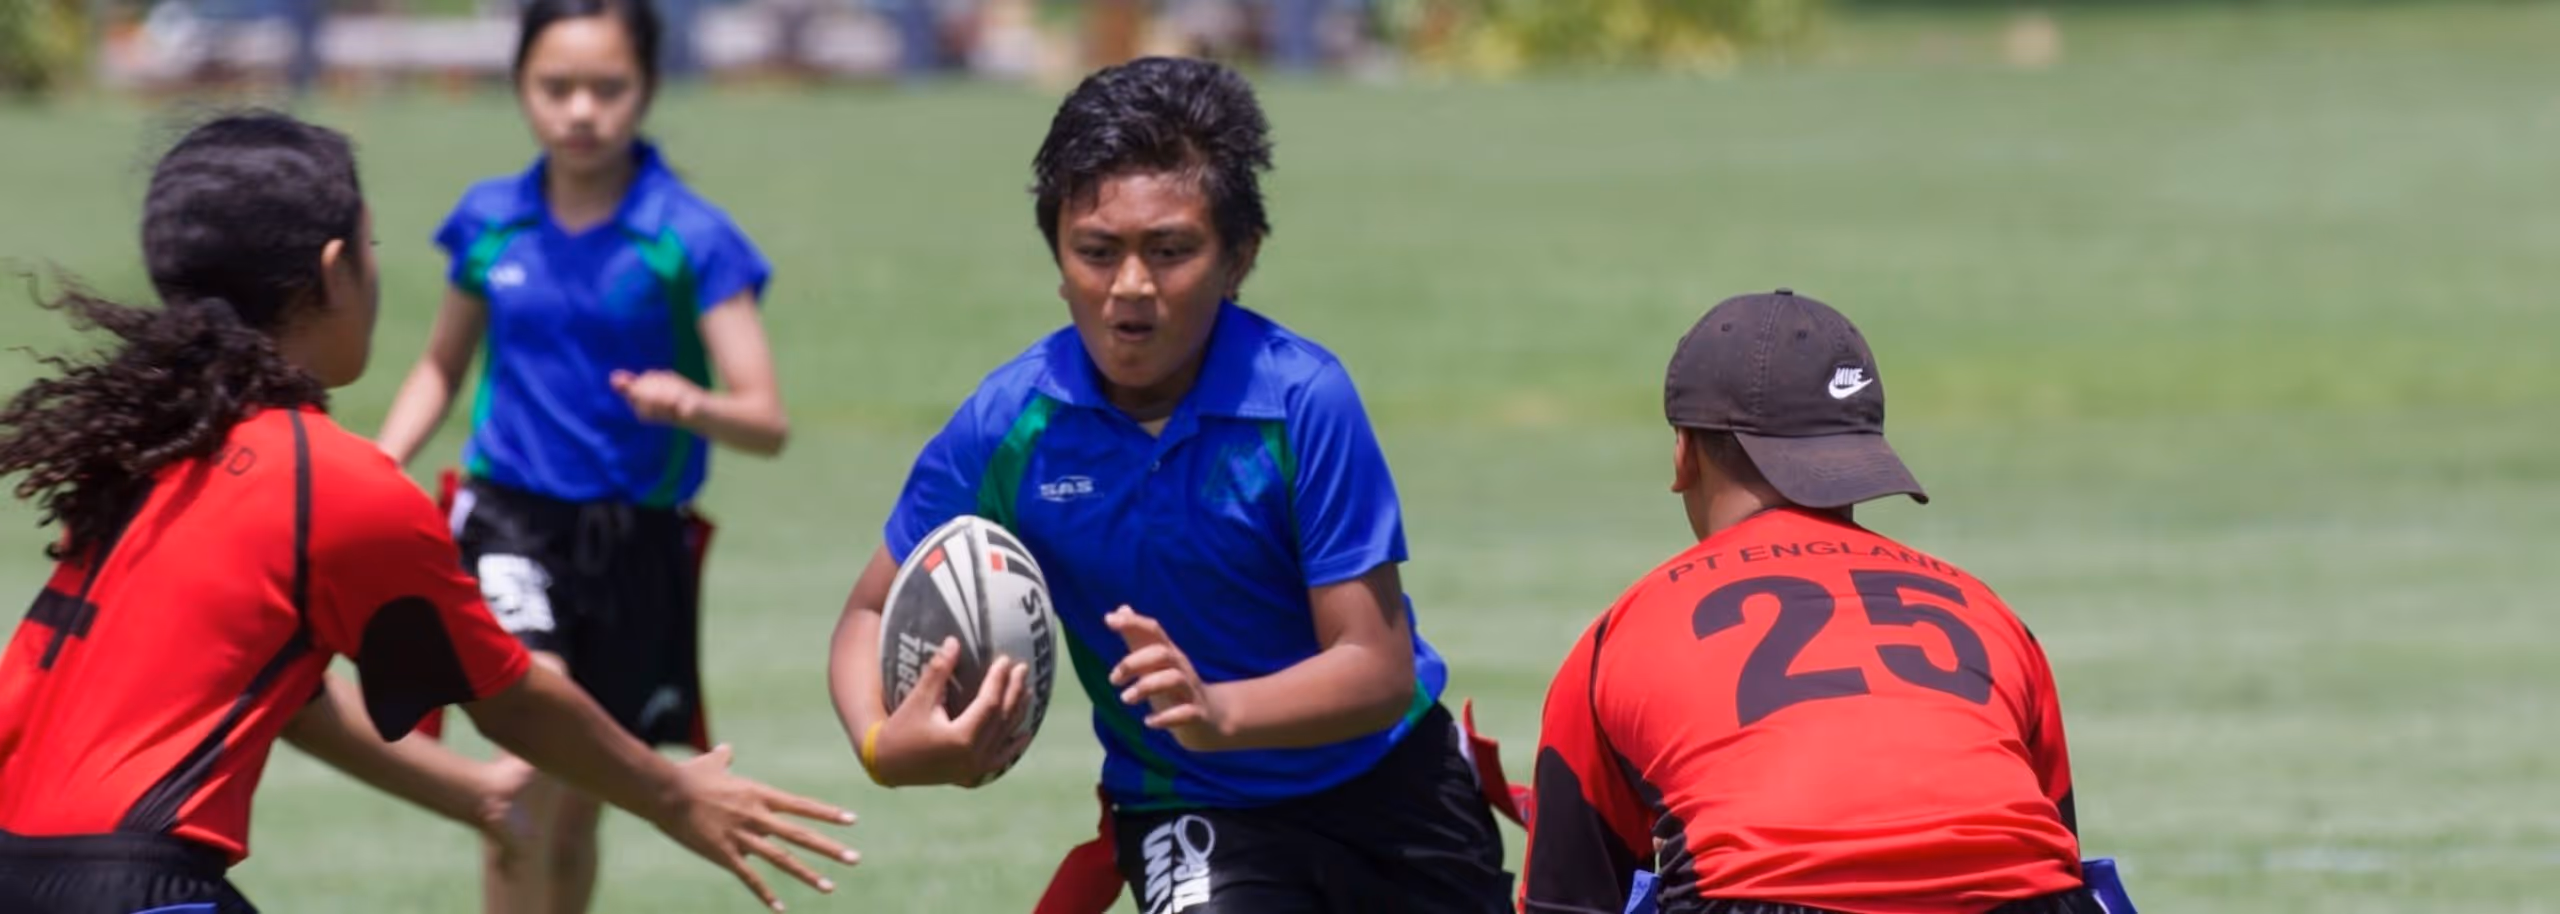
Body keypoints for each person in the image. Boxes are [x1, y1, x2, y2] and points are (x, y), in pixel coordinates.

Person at [0, 111, 855, 914]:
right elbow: (512, 701)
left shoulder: (148, 450)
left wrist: (476, 793)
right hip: (130, 887)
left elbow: (291, 699)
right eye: (369, 249)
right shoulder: (329, 480)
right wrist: (672, 793)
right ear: (334, 269)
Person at [825, 56, 1513, 914]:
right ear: (1058, 259)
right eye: (1096, 252)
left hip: (1392, 785)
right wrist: (883, 744)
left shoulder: (1301, 401)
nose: (1131, 287)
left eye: (1171, 251)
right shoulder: (1010, 425)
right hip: (1190, 804)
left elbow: (1374, 670)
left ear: (1238, 258)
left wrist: (1219, 711)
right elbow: (867, 613)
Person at [370, 0, 790, 910]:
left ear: (649, 87)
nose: (581, 111)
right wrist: (380, 462)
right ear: (521, 85)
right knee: (530, 756)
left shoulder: (691, 236)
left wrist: (692, 405)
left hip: (636, 546)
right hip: (508, 523)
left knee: (575, 812)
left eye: (608, 87)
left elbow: (765, 419)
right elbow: (441, 367)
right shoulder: (489, 221)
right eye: (556, 87)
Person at [1519, 289, 2100, 914]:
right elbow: (2054, 848)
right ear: (1865, 457)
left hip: (1763, 895)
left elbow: (1567, 903)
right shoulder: (1990, 613)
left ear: (1684, 453)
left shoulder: (1623, 633)